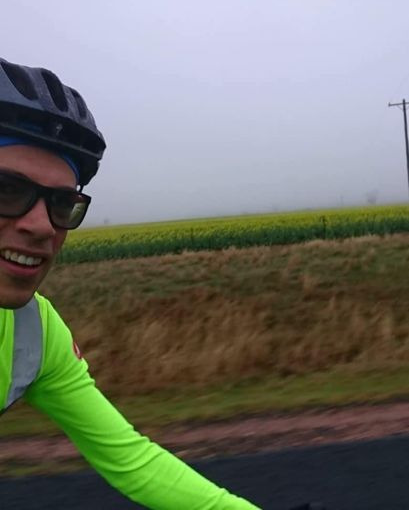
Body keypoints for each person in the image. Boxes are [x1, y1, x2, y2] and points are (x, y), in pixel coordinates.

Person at [0, 57, 260, 509]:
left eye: (62, 203)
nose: (41, 226)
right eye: (6, 190)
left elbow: (132, 460)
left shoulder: (34, 333)